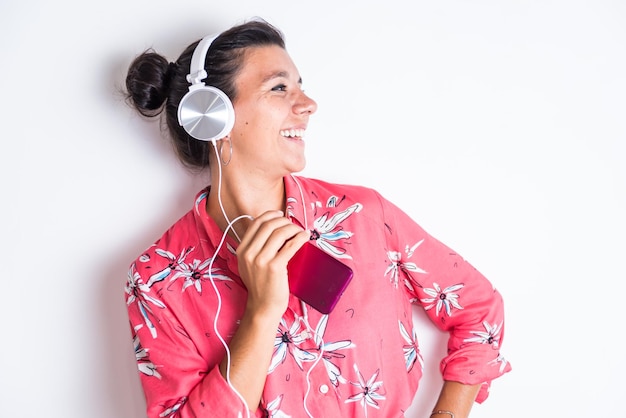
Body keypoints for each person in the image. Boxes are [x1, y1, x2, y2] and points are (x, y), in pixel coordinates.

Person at [123, 17, 511, 418]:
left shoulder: (363, 217)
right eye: (279, 87)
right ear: (212, 115)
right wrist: (261, 313)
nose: (308, 104)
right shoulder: (156, 282)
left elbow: (479, 310)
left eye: (300, 86)